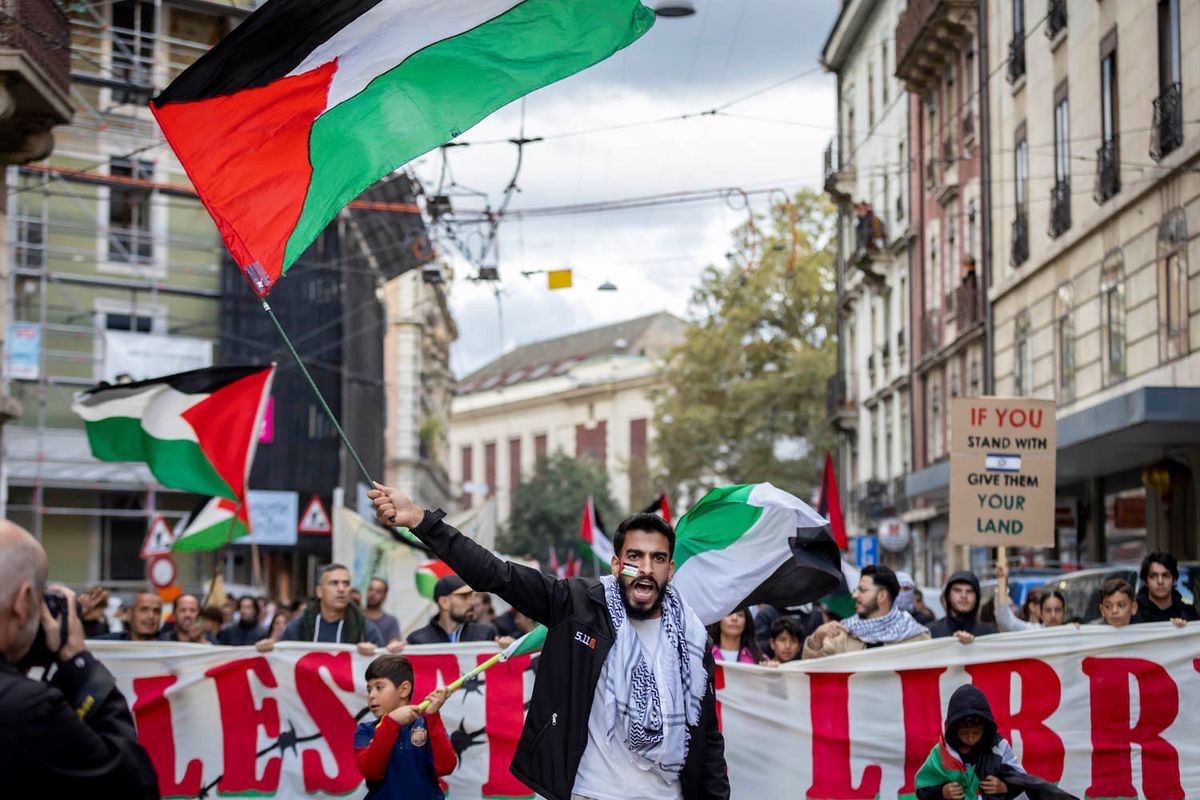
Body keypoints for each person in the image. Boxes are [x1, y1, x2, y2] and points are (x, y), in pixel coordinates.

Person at [370, 484, 730, 800]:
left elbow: (708, 739)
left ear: (670, 569)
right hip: (591, 792)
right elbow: (496, 573)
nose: (647, 569)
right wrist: (420, 519)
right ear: (618, 565)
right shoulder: (577, 605)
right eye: (635, 557)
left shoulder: (693, 640)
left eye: (658, 559)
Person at [0, 520, 159, 797]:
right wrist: (79, 665)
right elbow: (131, 785)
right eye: (40, 600)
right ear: (22, 602)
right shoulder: (27, 708)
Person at [915, 685, 1078, 800]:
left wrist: (1004, 787)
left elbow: (1021, 780)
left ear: (985, 729)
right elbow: (922, 790)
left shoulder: (999, 748)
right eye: (964, 733)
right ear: (953, 729)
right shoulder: (940, 753)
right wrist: (941, 793)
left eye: (976, 733)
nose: (970, 738)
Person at [355, 654, 456, 799]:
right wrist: (391, 723)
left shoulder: (427, 724)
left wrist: (433, 716)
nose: (371, 695)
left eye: (379, 687)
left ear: (404, 689)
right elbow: (371, 771)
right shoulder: (364, 731)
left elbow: (446, 767)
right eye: (369, 689)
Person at [258, 564, 389, 655]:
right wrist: (270, 650)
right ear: (319, 592)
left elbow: (386, 668)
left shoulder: (365, 630)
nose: (341, 589)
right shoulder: (298, 627)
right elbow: (280, 664)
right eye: (334, 583)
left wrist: (373, 655)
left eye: (346, 584)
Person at [803, 564, 930, 659]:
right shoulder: (843, 634)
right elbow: (811, 673)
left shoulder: (916, 637)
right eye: (856, 590)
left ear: (882, 597)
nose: (855, 595)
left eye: (862, 590)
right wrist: (816, 639)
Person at [407, 576, 499, 645]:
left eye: (471, 596)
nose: (472, 602)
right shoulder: (417, 640)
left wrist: (508, 649)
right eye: (464, 596)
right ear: (444, 602)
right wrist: (398, 651)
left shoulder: (486, 633)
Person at [928, 571, 996, 643]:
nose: (964, 596)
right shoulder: (931, 632)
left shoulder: (989, 633)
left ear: (977, 597)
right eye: (958, 590)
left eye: (969, 591)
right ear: (948, 596)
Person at [1133, 551, 1197, 626]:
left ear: (1174, 580)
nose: (1160, 581)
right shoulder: (1133, 613)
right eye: (1153, 576)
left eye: (1165, 575)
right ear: (1145, 581)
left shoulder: (1189, 614)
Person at [96, 591, 162, 641]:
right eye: (144, 610)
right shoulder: (110, 643)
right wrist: (90, 622)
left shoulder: (170, 645)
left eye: (156, 611)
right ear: (129, 614)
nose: (151, 616)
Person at [364, 578, 404, 646]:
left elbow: (394, 646)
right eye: (370, 589)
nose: (373, 593)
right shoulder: (355, 617)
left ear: (385, 595)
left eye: (378, 591)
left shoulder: (391, 621)